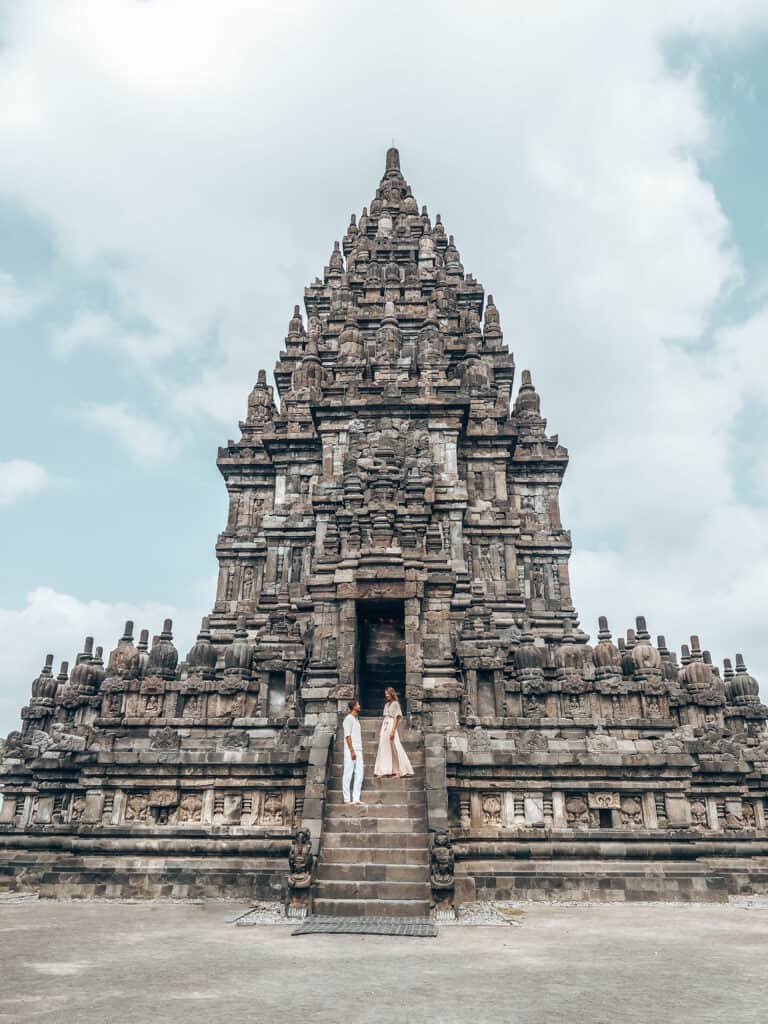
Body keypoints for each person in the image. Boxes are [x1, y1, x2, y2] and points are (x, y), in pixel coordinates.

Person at [373, 687, 414, 778]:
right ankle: (383, 771)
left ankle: (399, 771)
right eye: (385, 693)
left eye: (387, 693)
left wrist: (393, 731)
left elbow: (396, 718)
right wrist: (381, 730)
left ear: (391, 693)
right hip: (385, 725)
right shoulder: (386, 705)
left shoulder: (396, 704)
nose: (386, 695)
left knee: (395, 747)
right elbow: (385, 718)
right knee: (384, 748)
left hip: (391, 725)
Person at [342, 699, 364, 804]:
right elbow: (347, 736)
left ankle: (356, 798)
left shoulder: (356, 719)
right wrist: (352, 751)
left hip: (359, 749)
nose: (359, 705)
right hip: (351, 750)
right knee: (348, 773)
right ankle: (347, 799)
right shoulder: (348, 719)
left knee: (359, 774)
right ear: (354, 706)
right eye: (358, 704)